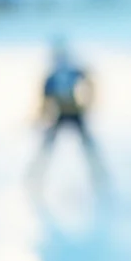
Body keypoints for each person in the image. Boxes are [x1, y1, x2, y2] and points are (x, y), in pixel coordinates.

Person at [30, 42, 105, 183]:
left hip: (71, 112)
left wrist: (88, 104)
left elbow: (90, 86)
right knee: (49, 145)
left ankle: (99, 174)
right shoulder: (64, 73)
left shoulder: (61, 74)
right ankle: (35, 176)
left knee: (85, 146)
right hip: (63, 114)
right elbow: (45, 100)